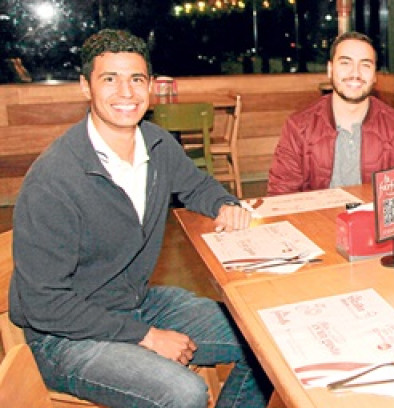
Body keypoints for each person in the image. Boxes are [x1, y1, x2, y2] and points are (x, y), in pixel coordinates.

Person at [9, 29, 272, 407]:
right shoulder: (54, 180)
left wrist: (223, 204)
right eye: (109, 79)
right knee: (184, 392)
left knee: (266, 339)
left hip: (135, 303)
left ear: (150, 86)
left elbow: (197, 186)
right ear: (86, 87)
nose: (126, 93)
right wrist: (145, 335)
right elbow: (42, 303)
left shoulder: (157, 144)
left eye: (136, 79)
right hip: (65, 337)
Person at [268, 31, 394, 194]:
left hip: (374, 219)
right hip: (316, 218)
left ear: (375, 75)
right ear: (330, 69)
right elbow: (281, 194)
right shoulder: (299, 126)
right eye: (345, 63)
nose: (355, 73)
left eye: (365, 65)